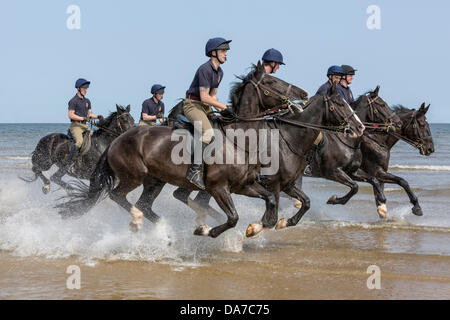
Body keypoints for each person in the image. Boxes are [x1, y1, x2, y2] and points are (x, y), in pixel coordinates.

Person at [184, 37, 232, 189]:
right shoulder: (204, 69)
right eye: (223, 51)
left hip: (205, 106)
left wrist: (225, 111)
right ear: (213, 53)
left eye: (226, 51)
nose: (226, 54)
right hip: (193, 106)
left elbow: (213, 97)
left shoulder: (220, 72)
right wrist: (223, 107)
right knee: (209, 134)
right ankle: (195, 170)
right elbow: (204, 97)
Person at [67, 78, 102, 170]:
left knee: (94, 140)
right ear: (78, 88)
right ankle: (70, 164)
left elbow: (90, 114)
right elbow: (70, 115)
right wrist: (83, 118)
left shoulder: (87, 101)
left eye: (86, 88)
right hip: (76, 126)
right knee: (79, 143)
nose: (86, 90)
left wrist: (98, 116)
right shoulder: (73, 101)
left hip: (84, 126)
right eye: (84, 88)